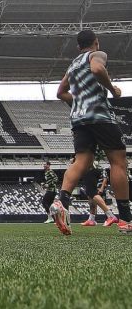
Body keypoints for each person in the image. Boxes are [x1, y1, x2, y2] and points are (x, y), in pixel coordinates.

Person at [52, 29, 131, 235]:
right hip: (100, 116)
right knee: (118, 162)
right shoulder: (97, 55)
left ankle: (61, 201)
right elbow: (97, 69)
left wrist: (78, 102)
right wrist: (113, 90)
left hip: (78, 118)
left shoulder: (73, 65)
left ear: (78, 47)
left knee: (81, 162)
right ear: (96, 42)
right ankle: (125, 219)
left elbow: (60, 92)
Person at [79, 151, 118, 227]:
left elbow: (105, 177)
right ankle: (91, 219)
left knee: (93, 194)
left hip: (96, 180)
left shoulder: (97, 166)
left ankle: (111, 216)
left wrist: (101, 187)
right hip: (91, 173)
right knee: (91, 200)